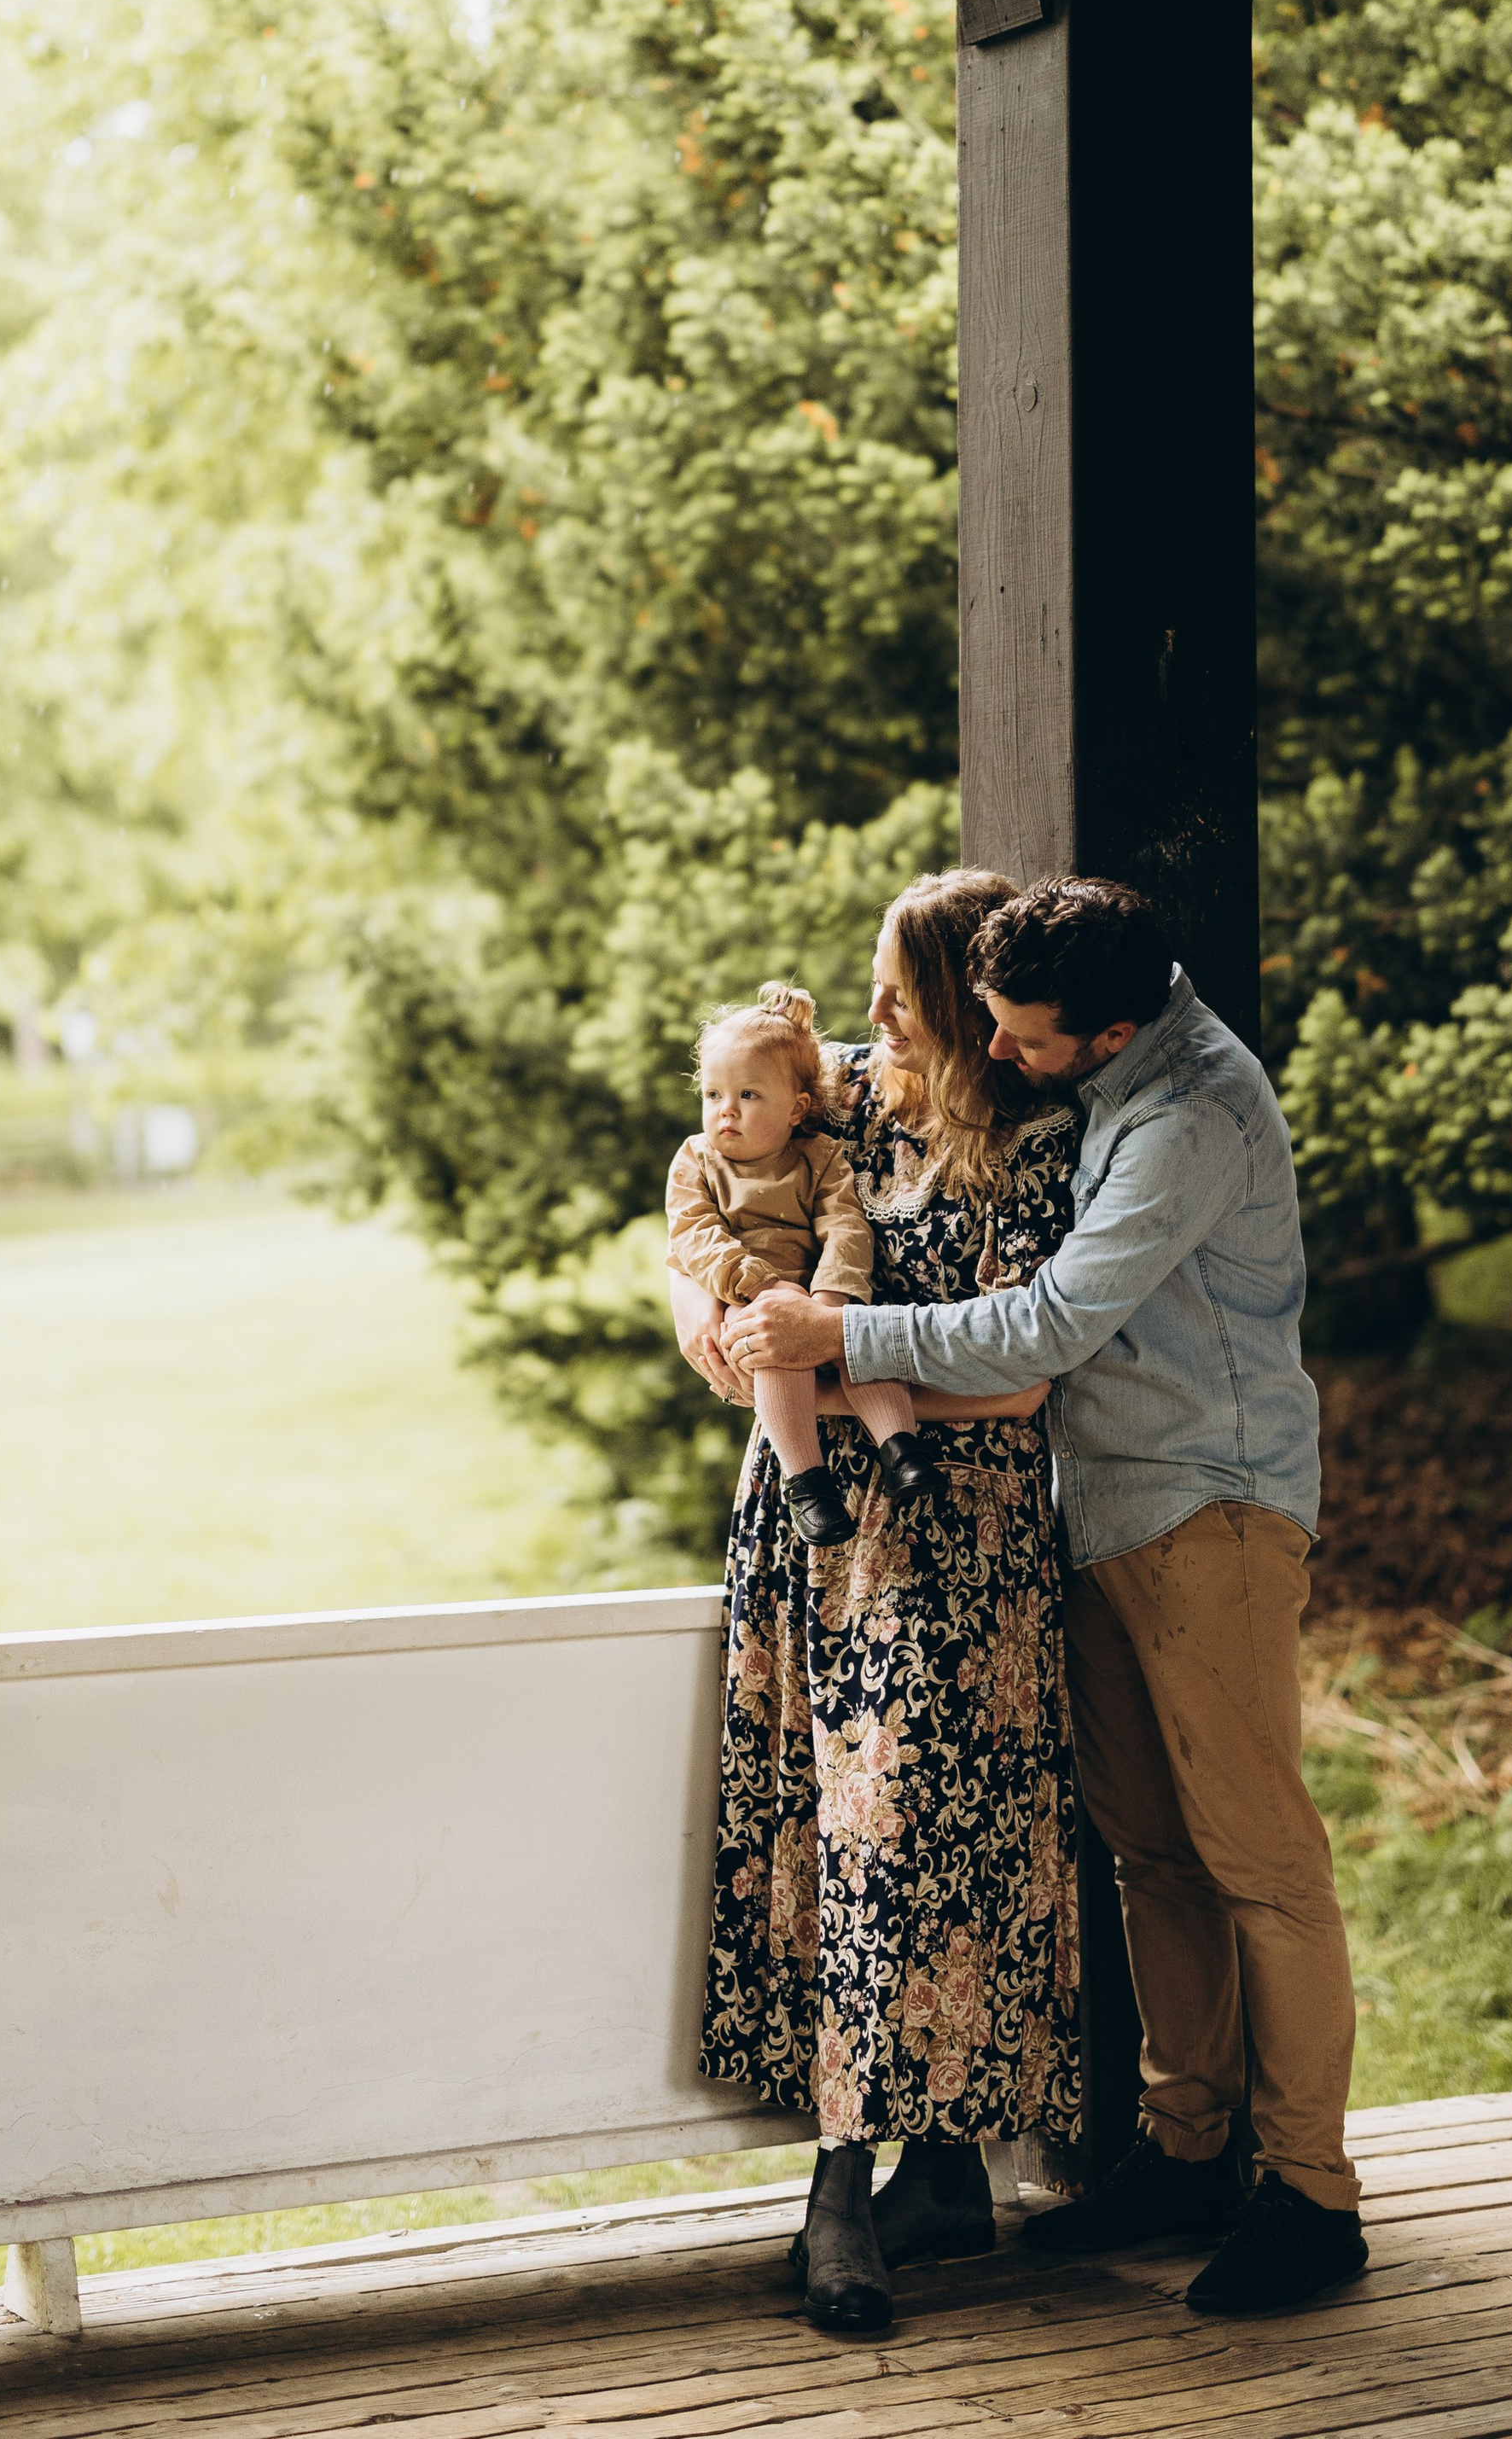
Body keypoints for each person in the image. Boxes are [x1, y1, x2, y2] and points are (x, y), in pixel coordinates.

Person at [729, 874, 1367, 2320]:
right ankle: (1188, 2149)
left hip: (1208, 1506)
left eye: (1022, 1036)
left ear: (1109, 1030)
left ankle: (1312, 2196)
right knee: (1154, 1854)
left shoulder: (1190, 1114)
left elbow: (1052, 1324)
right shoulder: (1091, 1067)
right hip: (1105, 1508)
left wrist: (838, 1336)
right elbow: (796, 1082)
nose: (1004, 1054)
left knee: (1259, 1859)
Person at [677, 869, 1086, 2337]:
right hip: (813, 1520)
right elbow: (702, 1184)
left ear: (969, 1012)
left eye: (899, 998)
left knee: (912, 1836)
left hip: (958, 1534)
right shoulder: (843, 1095)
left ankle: (850, 2188)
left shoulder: (1041, 1145)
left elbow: (1025, 1377)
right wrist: (711, 1310)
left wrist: (822, 1348)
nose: (871, 1018)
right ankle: (933, 2179)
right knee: (824, 1831)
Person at [665, 981, 944, 1547]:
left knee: (860, 1344)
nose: (725, 1110)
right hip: (748, 1300)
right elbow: (695, 1236)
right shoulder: (696, 1160)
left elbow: (845, 1226)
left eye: (747, 1095)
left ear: (796, 1109)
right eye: (713, 1094)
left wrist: (831, 1301)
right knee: (775, 1353)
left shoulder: (819, 1156)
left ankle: (900, 1447)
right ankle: (807, 1482)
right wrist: (762, 1286)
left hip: (818, 1293)